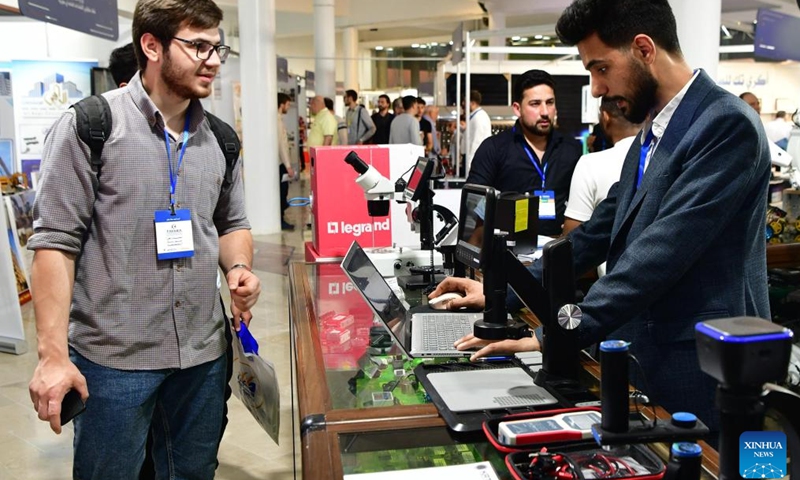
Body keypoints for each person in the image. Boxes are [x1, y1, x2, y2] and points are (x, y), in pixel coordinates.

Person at [432, 0, 771, 435]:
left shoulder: (726, 125)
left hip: (704, 366)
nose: (594, 88)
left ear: (644, 49)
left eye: (601, 69)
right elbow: (598, 230)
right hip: (647, 356)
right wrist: (505, 289)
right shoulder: (655, 129)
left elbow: (659, 254)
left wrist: (554, 334)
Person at [27, 0, 262, 478]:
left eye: (218, 46)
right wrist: (52, 356)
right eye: (198, 45)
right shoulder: (90, 127)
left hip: (203, 355)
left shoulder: (221, 139)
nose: (213, 59)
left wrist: (238, 268)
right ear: (151, 46)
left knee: (192, 471)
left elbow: (232, 222)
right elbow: (54, 244)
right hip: (112, 360)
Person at [466, 70, 583, 236]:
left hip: (556, 249)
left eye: (549, 103)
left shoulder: (570, 149)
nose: (544, 112)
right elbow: (473, 204)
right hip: (507, 250)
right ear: (517, 108)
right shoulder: (494, 149)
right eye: (535, 104)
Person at [563, 97, 643, 276]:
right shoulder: (666, 159)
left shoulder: (590, 164)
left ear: (605, 118)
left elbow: (571, 246)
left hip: (609, 287)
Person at [278, 92, 296, 231]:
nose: (288, 108)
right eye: (288, 105)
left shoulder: (278, 120)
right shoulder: (277, 121)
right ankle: (280, 220)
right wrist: (288, 165)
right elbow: (282, 145)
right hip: (280, 164)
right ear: (281, 104)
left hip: (280, 163)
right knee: (282, 192)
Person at [462, 89, 492, 165]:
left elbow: (477, 141)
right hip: (472, 157)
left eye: (465, 102)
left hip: (475, 158)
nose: (463, 104)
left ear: (472, 103)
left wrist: (470, 164)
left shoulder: (479, 118)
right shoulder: (475, 117)